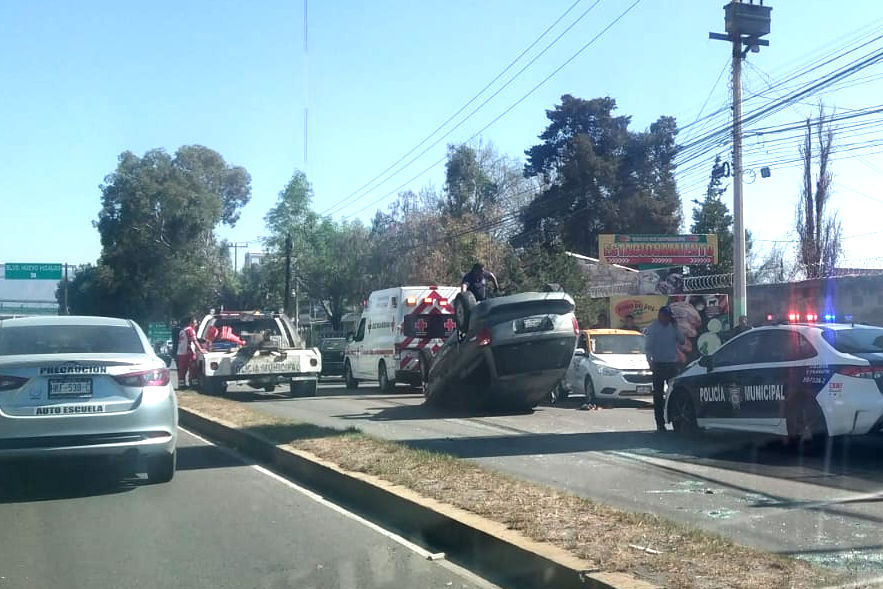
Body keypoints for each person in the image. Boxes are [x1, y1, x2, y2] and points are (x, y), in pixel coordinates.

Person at [644, 306, 685, 432]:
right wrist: (649, 362)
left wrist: (676, 327)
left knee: (675, 393)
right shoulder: (653, 328)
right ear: (660, 315)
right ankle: (660, 423)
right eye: (666, 316)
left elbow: (682, 341)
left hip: (672, 364)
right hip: (658, 364)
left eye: (669, 316)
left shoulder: (673, 327)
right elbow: (648, 347)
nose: (668, 318)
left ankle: (677, 419)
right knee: (658, 395)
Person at [176, 316, 205, 389]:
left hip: (180, 353)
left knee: (182, 370)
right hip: (188, 352)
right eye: (195, 322)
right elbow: (194, 341)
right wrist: (201, 349)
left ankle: (181, 385)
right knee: (193, 368)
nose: (196, 324)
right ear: (191, 323)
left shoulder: (182, 330)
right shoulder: (190, 330)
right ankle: (194, 384)